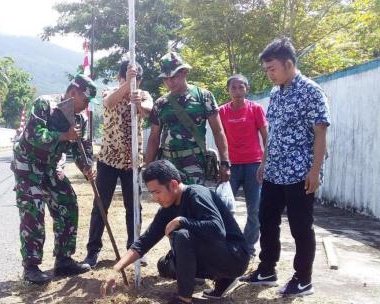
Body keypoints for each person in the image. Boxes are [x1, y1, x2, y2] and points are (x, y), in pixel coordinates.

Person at [240, 38, 330, 296]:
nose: (269, 74)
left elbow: (320, 132)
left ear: (288, 64)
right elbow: (275, 132)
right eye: (266, 69)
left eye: (272, 69)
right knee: (266, 220)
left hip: (300, 173)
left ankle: (303, 279)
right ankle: (267, 269)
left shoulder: (311, 91)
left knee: (301, 226)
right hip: (274, 171)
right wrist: (264, 163)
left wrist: (315, 171)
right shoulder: (275, 92)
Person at [100, 160, 249, 304]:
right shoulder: (167, 208)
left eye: (157, 192)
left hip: (235, 257)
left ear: (173, 184)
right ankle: (223, 279)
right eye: (152, 193)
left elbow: (217, 230)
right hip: (216, 254)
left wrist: (181, 221)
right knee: (165, 266)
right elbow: (145, 241)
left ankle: (184, 299)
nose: (154, 198)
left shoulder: (196, 194)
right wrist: (116, 269)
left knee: (182, 235)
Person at [11, 74, 98, 285]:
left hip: (51, 167)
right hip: (28, 165)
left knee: (68, 202)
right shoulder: (45, 105)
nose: (86, 105)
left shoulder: (81, 119)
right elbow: (32, 135)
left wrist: (87, 167)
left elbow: (82, 150)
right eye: (85, 100)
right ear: (73, 92)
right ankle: (31, 267)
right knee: (34, 210)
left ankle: (64, 259)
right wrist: (63, 136)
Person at [83, 61, 153, 267]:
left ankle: (135, 249)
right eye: (129, 77)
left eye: (137, 79)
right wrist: (126, 85)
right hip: (108, 160)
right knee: (100, 205)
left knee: (134, 207)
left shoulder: (144, 94)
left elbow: (149, 110)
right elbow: (109, 103)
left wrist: (138, 101)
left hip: (132, 161)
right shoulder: (110, 91)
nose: (134, 82)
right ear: (119, 77)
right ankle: (92, 251)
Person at [145, 52, 231, 185]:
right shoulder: (161, 103)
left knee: (194, 202)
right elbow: (154, 137)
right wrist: (148, 167)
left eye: (174, 76)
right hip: (168, 165)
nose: (170, 81)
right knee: (170, 205)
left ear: (184, 72)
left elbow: (218, 131)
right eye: (166, 78)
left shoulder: (204, 96)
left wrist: (225, 162)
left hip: (195, 163)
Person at [219, 74, 268, 258]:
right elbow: (218, 136)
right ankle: (227, 244)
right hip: (231, 167)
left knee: (254, 210)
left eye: (241, 87)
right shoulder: (222, 112)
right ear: (228, 91)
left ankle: (248, 248)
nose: (237, 91)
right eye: (233, 88)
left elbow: (266, 136)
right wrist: (222, 163)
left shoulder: (255, 109)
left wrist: (264, 162)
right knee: (223, 207)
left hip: (253, 165)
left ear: (247, 89)